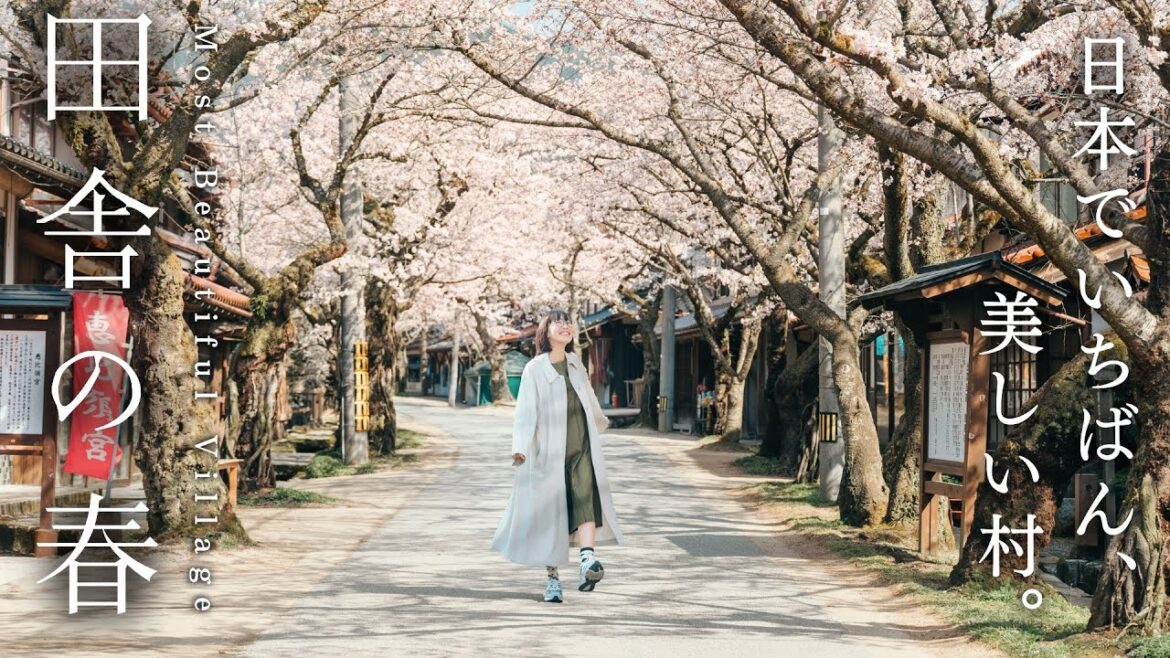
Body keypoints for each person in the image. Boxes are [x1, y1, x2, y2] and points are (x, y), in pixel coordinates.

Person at [492, 309, 625, 603]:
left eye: (568, 322)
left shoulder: (576, 363)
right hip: (549, 454)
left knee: (586, 502)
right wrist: (520, 447)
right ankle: (552, 579)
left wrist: (599, 423)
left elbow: (589, 400)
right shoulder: (535, 369)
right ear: (545, 331)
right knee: (552, 517)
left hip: (582, 448)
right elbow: (526, 411)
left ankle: (587, 561)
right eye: (558, 322)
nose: (565, 326)